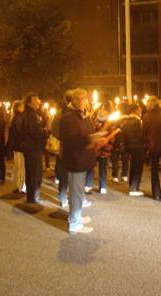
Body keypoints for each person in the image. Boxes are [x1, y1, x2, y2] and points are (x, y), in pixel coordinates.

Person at [60, 89, 98, 234]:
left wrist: (95, 136)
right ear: (73, 100)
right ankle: (75, 223)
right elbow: (70, 140)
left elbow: (89, 131)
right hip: (75, 160)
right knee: (75, 192)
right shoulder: (68, 118)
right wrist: (89, 139)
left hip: (82, 159)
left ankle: (76, 216)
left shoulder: (83, 116)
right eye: (80, 99)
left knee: (79, 191)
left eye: (85, 98)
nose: (84, 101)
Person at [21, 92, 46, 204]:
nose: (38, 102)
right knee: (34, 173)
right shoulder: (31, 115)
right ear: (30, 102)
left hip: (31, 147)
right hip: (33, 148)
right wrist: (45, 130)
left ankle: (32, 196)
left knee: (32, 172)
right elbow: (34, 131)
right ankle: (33, 197)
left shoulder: (29, 113)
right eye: (36, 101)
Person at [121, 103, 145, 196]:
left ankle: (132, 186)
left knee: (133, 166)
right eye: (139, 110)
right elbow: (140, 135)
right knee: (138, 167)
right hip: (138, 146)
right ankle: (134, 188)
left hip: (130, 147)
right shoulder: (137, 121)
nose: (141, 111)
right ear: (135, 111)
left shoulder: (126, 121)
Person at [7, 101, 26, 193]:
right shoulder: (19, 117)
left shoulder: (14, 117)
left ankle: (17, 185)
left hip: (16, 146)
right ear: (19, 107)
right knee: (21, 167)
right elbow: (20, 132)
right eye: (22, 106)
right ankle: (20, 186)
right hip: (20, 146)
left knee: (17, 166)